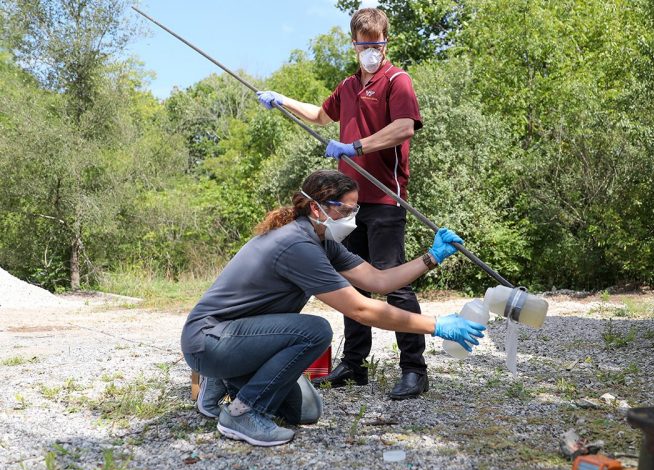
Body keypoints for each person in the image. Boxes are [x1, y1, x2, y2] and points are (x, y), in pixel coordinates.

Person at [181, 170, 485, 447]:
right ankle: (240, 412)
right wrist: (436, 325)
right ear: (318, 208)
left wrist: (432, 257)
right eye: (347, 209)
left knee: (307, 411)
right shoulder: (297, 245)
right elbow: (362, 311)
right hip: (210, 340)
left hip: (236, 338)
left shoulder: (321, 240)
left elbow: (378, 281)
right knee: (315, 331)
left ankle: (222, 378)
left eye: (356, 210)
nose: (352, 217)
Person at [256, 8, 430, 400]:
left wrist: (356, 146)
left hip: (385, 197)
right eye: (364, 44)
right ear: (354, 44)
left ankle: (414, 369)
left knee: (392, 280)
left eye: (377, 43)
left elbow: (404, 127)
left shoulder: (397, 81)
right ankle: (355, 366)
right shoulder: (348, 86)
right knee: (353, 282)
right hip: (345, 205)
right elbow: (320, 114)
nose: (371, 50)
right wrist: (283, 101)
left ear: (386, 41)